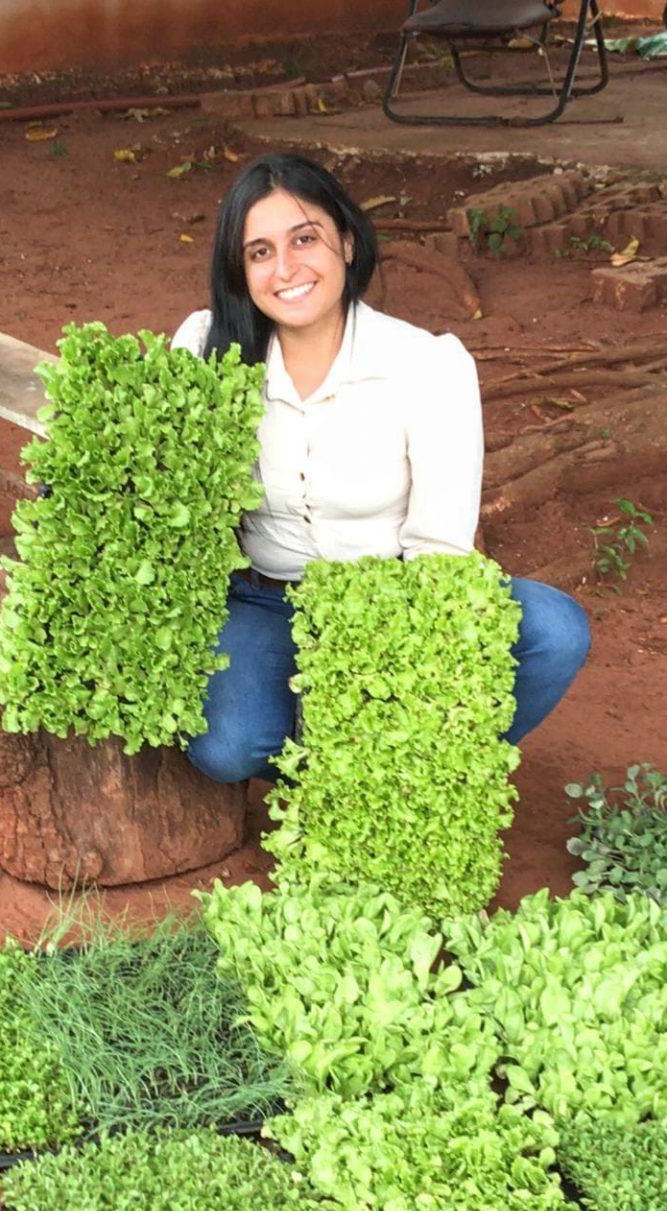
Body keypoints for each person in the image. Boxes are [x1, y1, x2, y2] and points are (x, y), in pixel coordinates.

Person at [171, 151, 590, 785]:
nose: (285, 269)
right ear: (240, 267)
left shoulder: (425, 365)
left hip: (394, 600)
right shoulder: (209, 348)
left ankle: (405, 767)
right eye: (259, 252)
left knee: (554, 631)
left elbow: (439, 547)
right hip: (265, 601)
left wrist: (384, 665)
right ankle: (332, 769)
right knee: (229, 748)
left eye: (304, 239)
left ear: (344, 239)